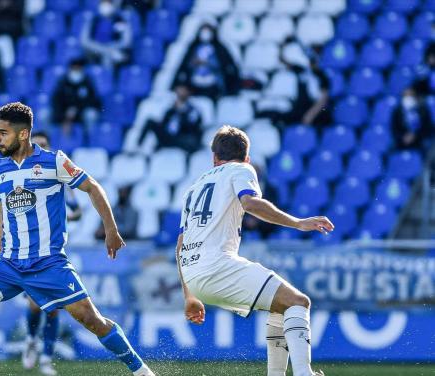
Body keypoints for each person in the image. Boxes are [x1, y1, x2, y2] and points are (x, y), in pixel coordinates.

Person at [0, 102, 154, 376]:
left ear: (22, 134)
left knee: (92, 319)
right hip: (9, 262)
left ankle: (142, 372)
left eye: (2, 133)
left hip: (47, 264)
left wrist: (111, 230)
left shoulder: (54, 161)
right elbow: (0, 207)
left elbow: (92, 187)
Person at [175, 126, 334, 376]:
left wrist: (189, 296)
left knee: (282, 306)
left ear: (214, 158)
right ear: (247, 157)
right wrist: (298, 223)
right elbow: (249, 203)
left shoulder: (192, 190)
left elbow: (181, 244)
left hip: (194, 276)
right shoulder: (241, 169)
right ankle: (304, 373)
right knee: (298, 302)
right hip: (218, 266)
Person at [20, 131, 81, 376]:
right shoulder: (24, 176)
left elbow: (78, 211)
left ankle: (45, 358)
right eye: (38, 145)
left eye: (45, 145)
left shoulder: (58, 175)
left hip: (54, 249)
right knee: (36, 304)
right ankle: (31, 339)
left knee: (54, 307)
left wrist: (60, 214)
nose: (41, 149)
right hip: (29, 250)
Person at [174, 23, 240, 98]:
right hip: (194, 84)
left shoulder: (220, 48)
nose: (205, 34)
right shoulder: (193, 47)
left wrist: (208, 63)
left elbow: (227, 66)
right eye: (203, 31)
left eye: (208, 32)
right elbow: (184, 65)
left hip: (213, 84)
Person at [138, 83, 203, 153]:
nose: (181, 92)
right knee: (150, 121)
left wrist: (181, 112)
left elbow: (193, 127)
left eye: (183, 90)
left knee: (189, 140)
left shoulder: (193, 110)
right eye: (179, 90)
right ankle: (138, 147)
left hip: (183, 138)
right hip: (169, 137)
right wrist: (174, 111)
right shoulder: (171, 110)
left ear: (188, 93)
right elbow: (163, 123)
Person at [51, 58, 101, 134]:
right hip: (64, 113)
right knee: (45, 115)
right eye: (74, 68)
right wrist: (64, 117)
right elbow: (56, 101)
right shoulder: (63, 82)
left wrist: (76, 110)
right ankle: (47, 140)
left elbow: (93, 101)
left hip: (81, 113)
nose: (76, 71)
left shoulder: (87, 82)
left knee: (91, 114)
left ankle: (89, 137)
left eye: (79, 69)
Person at [80, 0, 132, 68]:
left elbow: (127, 41)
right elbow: (84, 40)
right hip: (96, 50)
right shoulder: (93, 20)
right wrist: (104, 49)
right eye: (103, 4)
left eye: (108, 4)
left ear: (112, 6)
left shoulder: (120, 20)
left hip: (115, 49)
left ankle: (108, 74)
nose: (105, 7)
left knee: (116, 56)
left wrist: (112, 46)